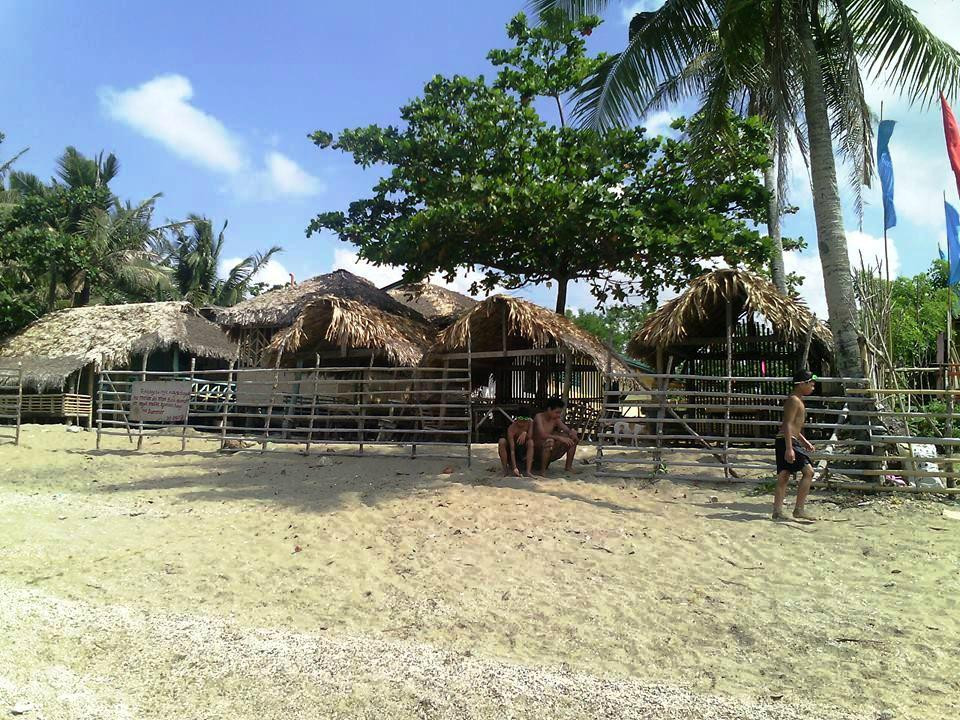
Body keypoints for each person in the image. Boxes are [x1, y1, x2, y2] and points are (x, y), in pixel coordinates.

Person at [773, 369, 818, 521]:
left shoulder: (797, 400)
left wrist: (804, 442)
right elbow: (786, 424)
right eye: (811, 384)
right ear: (801, 384)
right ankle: (798, 509)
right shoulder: (793, 400)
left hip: (789, 440)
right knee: (809, 472)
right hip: (786, 441)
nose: (813, 387)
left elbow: (793, 427)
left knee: (784, 475)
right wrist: (789, 448)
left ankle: (777, 511)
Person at [530, 397, 579, 476]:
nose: (558, 415)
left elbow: (566, 429)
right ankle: (543, 471)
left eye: (560, 413)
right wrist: (559, 437)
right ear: (549, 409)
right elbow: (542, 434)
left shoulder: (555, 419)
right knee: (550, 441)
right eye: (557, 412)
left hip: (550, 449)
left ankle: (568, 467)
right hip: (537, 449)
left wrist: (572, 432)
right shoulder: (539, 417)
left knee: (573, 439)